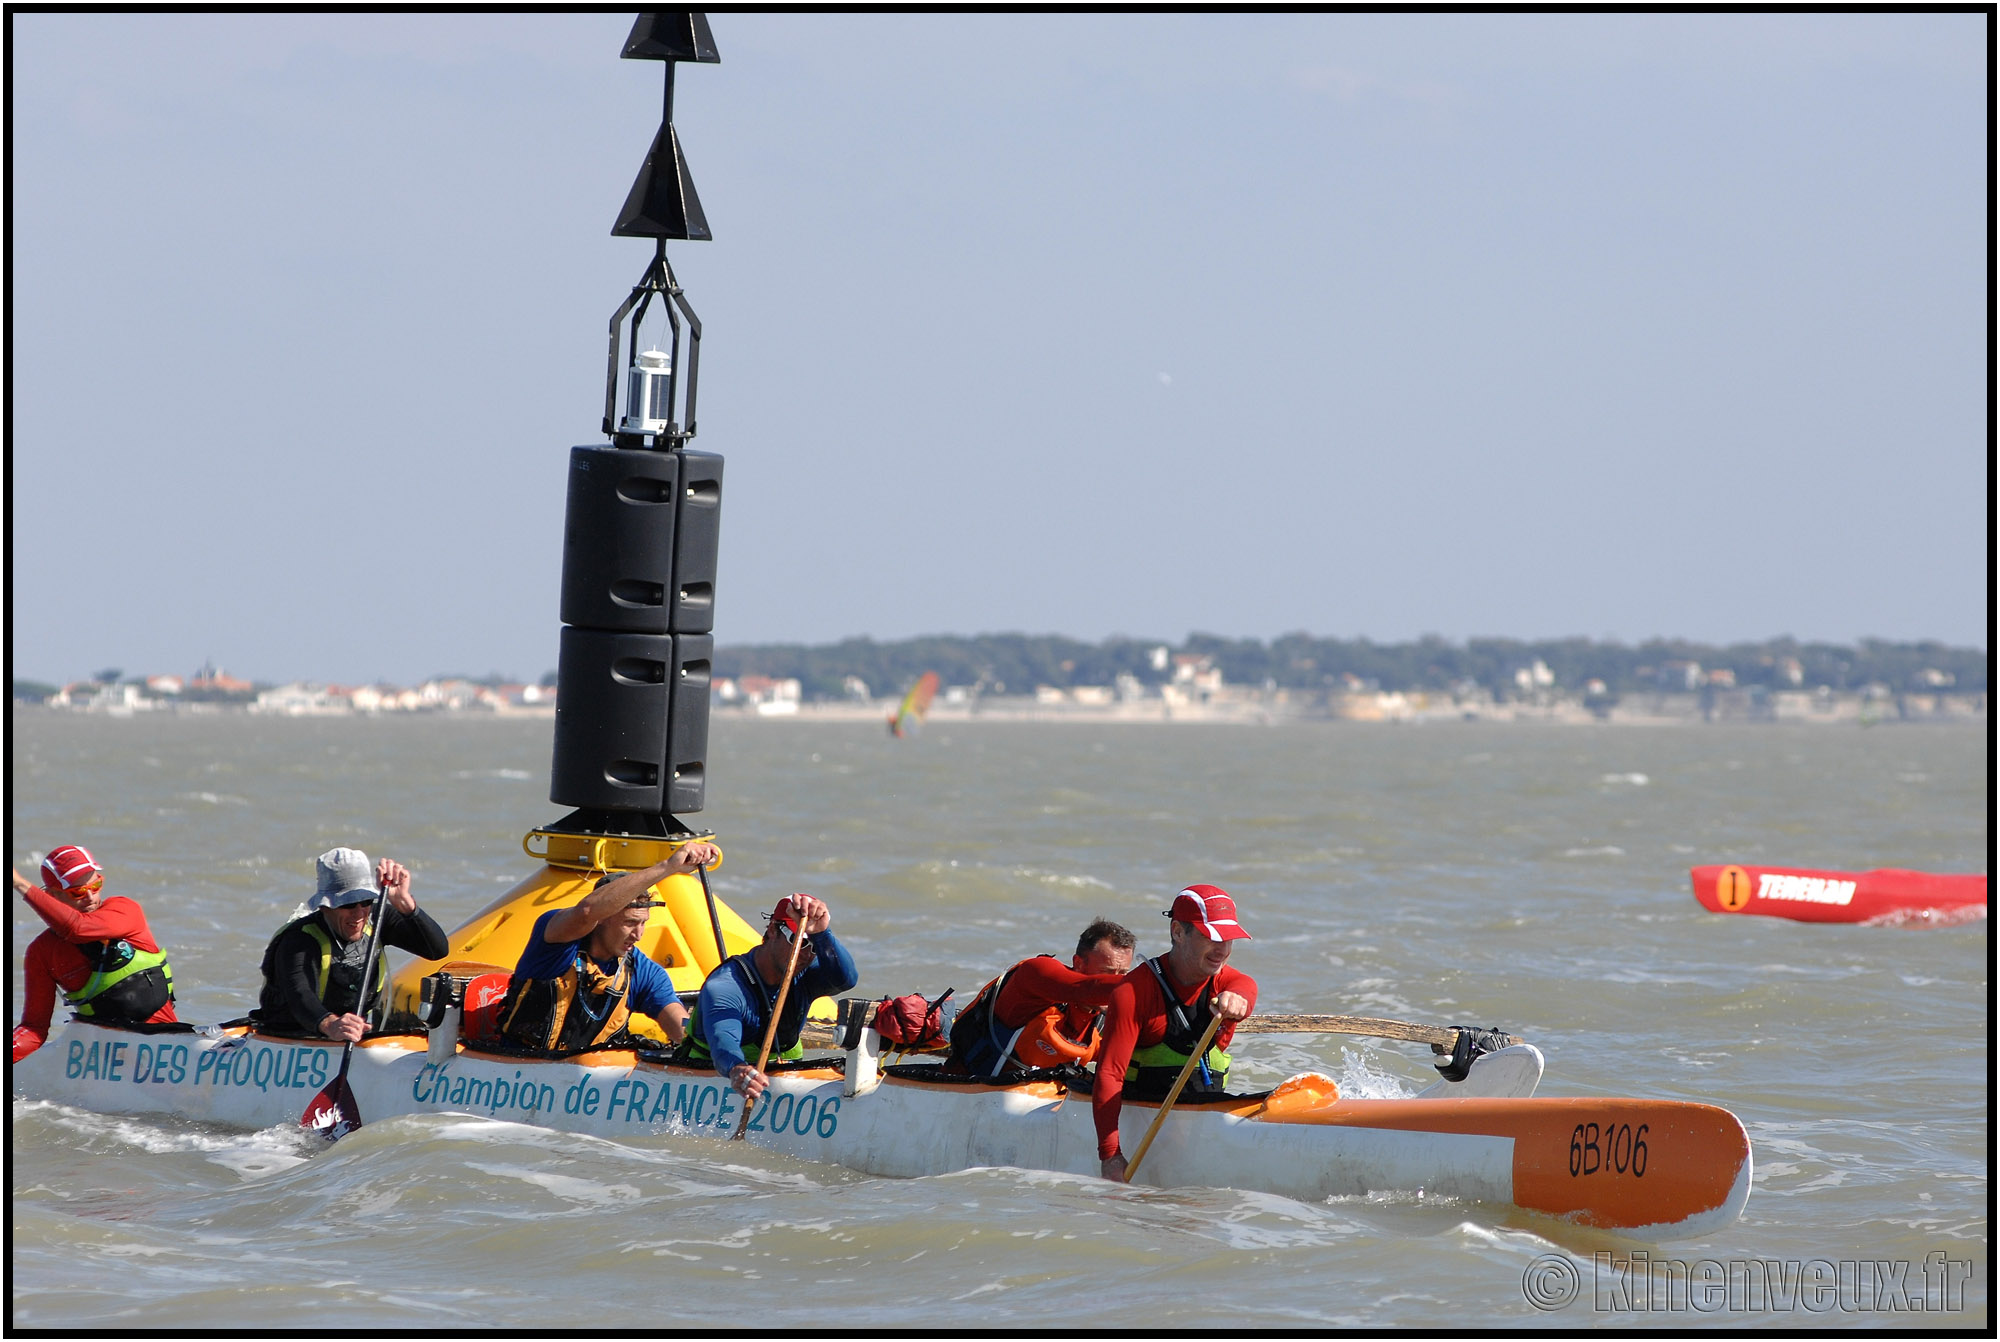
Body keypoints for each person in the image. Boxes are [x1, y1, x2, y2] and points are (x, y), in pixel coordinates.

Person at [1093, 885, 1258, 1182]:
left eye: (1229, 938)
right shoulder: (1133, 992)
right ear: (1178, 932)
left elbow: (1246, 986)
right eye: (1211, 937)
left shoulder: (1226, 982)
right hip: (1141, 1129)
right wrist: (1110, 1155)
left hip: (1199, 1129)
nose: (1222, 949)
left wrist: (1238, 1000)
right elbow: (1109, 1075)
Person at [491, 841, 719, 1054]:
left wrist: (716, 1048)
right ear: (602, 919)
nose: (638, 935)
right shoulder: (555, 943)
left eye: (643, 923)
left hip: (589, 1079)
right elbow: (587, 911)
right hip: (521, 1065)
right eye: (629, 923)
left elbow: (681, 1027)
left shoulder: (644, 972)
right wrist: (669, 866)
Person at [252, 848, 449, 1041]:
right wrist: (330, 1025)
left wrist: (406, 905)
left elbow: (437, 950)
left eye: (365, 901)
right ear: (325, 906)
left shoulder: (378, 918)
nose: (359, 913)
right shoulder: (299, 940)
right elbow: (300, 995)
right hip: (290, 1033)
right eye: (347, 904)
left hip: (348, 1035)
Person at [684, 893, 858, 1103]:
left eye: (813, 947)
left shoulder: (805, 972)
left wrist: (822, 935)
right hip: (717, 1078)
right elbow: (724, 1043)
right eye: (798, 941)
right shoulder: (726, 986)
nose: (806, 954)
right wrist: (737, 1071)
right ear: (773, 930)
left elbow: (846, 980)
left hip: (784, 1077)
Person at [12, 845, 177, 1062]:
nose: (90, 896)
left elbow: (78, 929)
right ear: (52, 896)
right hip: (103, 1066)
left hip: (167, 1050)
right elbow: (34, 1029)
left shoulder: (125, 910)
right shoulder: (42, 952)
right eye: (77, 892)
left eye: (96, 885)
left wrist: (19, 883)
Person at [946, 918, 1136, 1078]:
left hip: (1045, 1104)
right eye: (1107, 972)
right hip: (970, 1093)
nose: (1116, 980)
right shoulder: (1036, 975)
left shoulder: (1105, 1018)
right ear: (1078, 963)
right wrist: (1150, 984)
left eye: (1123, 974)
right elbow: (1086, 988)